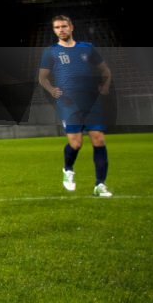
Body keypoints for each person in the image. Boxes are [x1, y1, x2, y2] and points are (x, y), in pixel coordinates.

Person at [38, 15, 113, 197]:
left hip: (91, 101)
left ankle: (100, 185)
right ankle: (68, 169)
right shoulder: (51, 51)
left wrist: (105, 86)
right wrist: (51, 90)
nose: (61, 30)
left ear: (71, 27)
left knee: (98, 139)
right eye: (57, 27)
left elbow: (105, 70)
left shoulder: (87, 48)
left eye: (64, 26)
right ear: (54, 30)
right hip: (68, 102)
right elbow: (42, 77)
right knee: (76, 143)